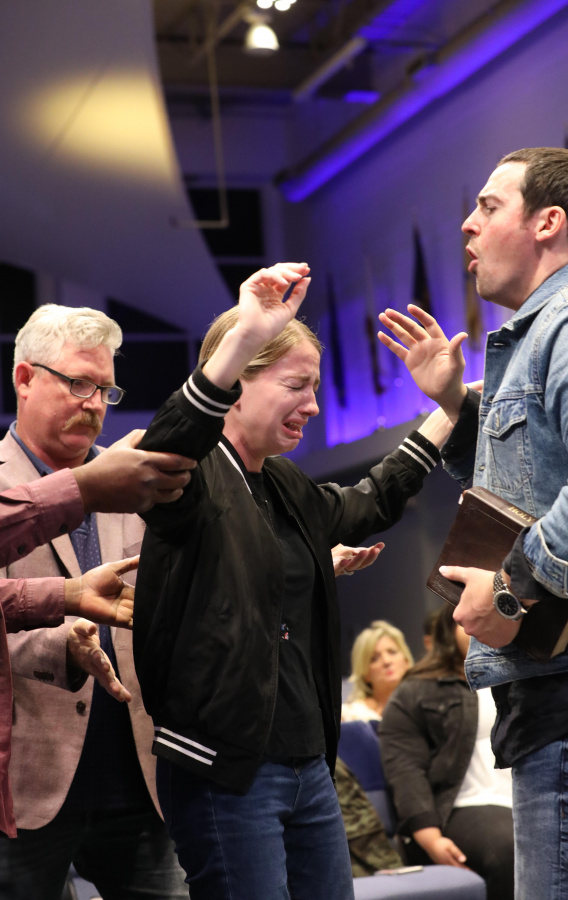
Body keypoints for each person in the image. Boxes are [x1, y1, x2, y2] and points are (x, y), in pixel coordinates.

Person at [131, 261, 453, 900]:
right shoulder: (191, 474)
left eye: (315, 386)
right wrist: (244, 336)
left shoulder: (283, 481)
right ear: (237, 385)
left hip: (308, 762)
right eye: (296, 385)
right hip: (228, 770)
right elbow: (167, 446)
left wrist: (447, 408)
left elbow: (370, 500)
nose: (312, 405)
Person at [377, 147, 568, 900]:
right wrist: (454, 404)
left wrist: (512, 591)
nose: (468, 226)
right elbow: (540, 477)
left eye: (489, 206)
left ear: (549, 222)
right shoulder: (552, 327)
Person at [0, 304, 189, 900]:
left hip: (137, 777)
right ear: (24, 378)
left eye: (105, 389)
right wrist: (63, 645)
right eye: (78, 383)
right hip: (25, 783)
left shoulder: (131, 480)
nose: (95, 403)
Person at [379, 603, 514, 900]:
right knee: (510, 848)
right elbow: (405, 769)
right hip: (463, 806)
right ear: (450, 628)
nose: (483, 625)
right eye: (471, 619)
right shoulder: (416, 690)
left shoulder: (523, 678)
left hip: (528, 798)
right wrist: (430, 838)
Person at [341, 620, 413, 722]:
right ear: (365, 673)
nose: (387, 661)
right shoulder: (350, 716)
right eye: (374, 659)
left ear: (406, 661)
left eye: (392, 652)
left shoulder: (425, 705)